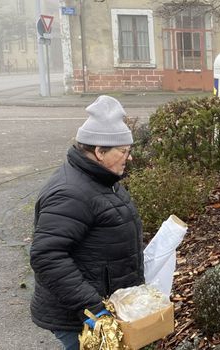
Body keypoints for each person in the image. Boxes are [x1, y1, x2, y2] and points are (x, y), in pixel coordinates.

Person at [29, 95, 143, 350]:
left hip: (101, 309)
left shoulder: (102, 180)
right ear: (99, 151)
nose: (129, 157)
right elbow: (47, 256)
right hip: (78, 317)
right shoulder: (70, 193)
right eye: (123, 151)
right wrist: (93, 309)